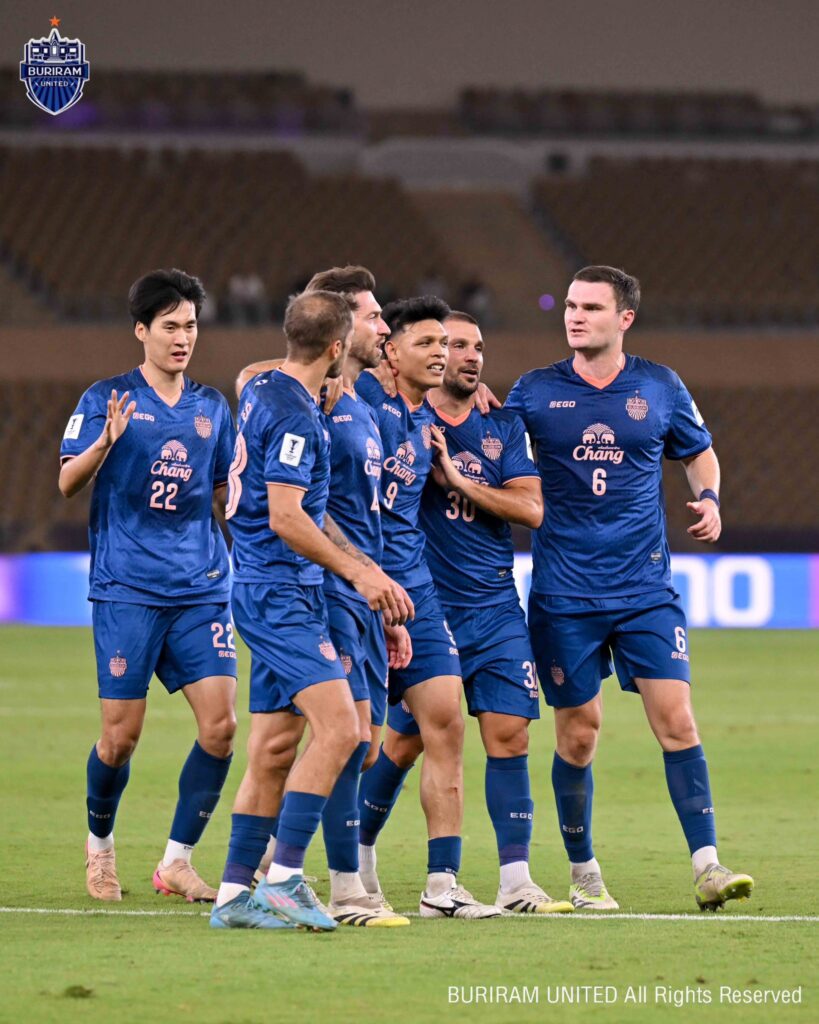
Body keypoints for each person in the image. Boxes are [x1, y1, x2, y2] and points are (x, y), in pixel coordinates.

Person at [505, 265, 754, 912]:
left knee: (677, 720)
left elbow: (698, 452)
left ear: (625, 318)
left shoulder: (659, 386)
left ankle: (707, 864)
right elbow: (493, 448)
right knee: (578, 735)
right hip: (564, 593)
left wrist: (709, 498)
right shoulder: (533, 392)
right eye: (569, 305)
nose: (574, 316)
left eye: (590, 307)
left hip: (644, 588)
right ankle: (583, 871)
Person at [358, 311, 574, 915]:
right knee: (404, 744)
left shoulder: (501, 425)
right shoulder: (401, 418)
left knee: (510, 733)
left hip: (494, 606)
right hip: (426, 607)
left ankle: (516, 880)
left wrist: (456, 477)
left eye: (478, 346)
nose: (471, 356)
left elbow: (531, 509)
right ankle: (358, 853)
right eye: (454, 345)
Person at [210, 290, 412, 931]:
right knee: (344, 732)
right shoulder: (298, 416)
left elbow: (302, 507)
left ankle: (233, 897)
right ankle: (286, 881)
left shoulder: (264, 388)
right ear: (335, 346)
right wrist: (357, 572)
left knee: (275, 748)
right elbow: (287, 516)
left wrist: (364, 569)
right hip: (281, 593)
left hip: (269, 586)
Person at [59, 269, 238, 904]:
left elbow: (226, 494)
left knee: (221, 727)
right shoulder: (106, 399)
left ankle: (177, 862)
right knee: (120, 738)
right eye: (170, 327)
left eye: (190, 326)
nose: (183, 338)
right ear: (141, 331)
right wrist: (104, 443)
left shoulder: (212, 408)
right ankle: (100, 846)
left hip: (201, 587)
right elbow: (66, 483)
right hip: (127, 589)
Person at [356, 297, 501, 919]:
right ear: (390, 351)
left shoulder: (426, 423)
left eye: (446, 344)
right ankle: (317, 865)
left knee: (446, 721)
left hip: (415, 592)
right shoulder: (360, 397)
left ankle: (442, 885)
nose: (441, 353)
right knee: (348, 741)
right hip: (356, 587)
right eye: (427, 343)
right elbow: (265, 374)